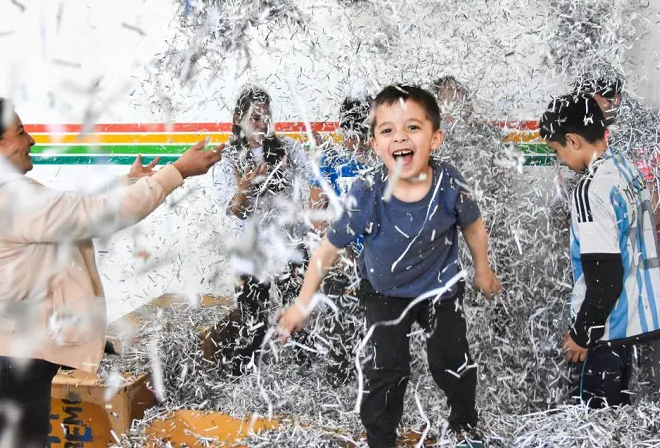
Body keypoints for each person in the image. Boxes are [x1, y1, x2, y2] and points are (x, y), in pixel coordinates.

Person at [0, 96, 222, 448]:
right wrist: (178, 172)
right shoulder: (5, 197)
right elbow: (96, 215)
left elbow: (66, 210)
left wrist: (127, 183)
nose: (30, 140)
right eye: (19, 133)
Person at [279, 84, 503, 448]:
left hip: (440, 289)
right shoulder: (366, 191)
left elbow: (473, 226)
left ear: (435, 138)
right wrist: (302, 302)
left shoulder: (449, 182)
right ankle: (381, 439)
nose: (400, 136)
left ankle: (464, 423)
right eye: (387, 130)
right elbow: (327, 251)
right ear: (375, 144)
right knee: (385, 369)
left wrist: (482, 269)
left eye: (413, 127)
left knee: (451, 359)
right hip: (384, 292)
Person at [538, 93, 660, 408]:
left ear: (572, 140)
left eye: (557, 151)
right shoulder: (625, 167)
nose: (560, 161)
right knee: (618, 418)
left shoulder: (591, 190)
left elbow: (606, 275)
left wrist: (583, 334)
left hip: (606, 329)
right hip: (636, 322)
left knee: (596, 419)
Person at [212, 86, 317, 374]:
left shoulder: (288, 148)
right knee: (252, 322)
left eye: (266, 118)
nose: (262, 124)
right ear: (238, 118)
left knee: (298, 320)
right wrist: (245, 189)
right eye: (255, 118)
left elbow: (316, 176)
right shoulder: (227, 159)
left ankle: (304, 374)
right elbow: (236, 210)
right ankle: (245, 374)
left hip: (290, 247)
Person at [307, 96, 373, 387]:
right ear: (343, 129)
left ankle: (372, 382)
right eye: (353, 134)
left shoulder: (385, 161)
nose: (358, 143)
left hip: (379, 262)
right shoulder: (330, 161)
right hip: (342, 262)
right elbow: (314, 213)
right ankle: (340, 379)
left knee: (378, 329)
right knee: (341, 328)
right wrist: (339, 244)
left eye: (365, 133)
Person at [576, 69, 660, 228]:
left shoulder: (636, 133)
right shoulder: (598, 129)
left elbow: (653, 205)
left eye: (591, 100)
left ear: (614, 99)